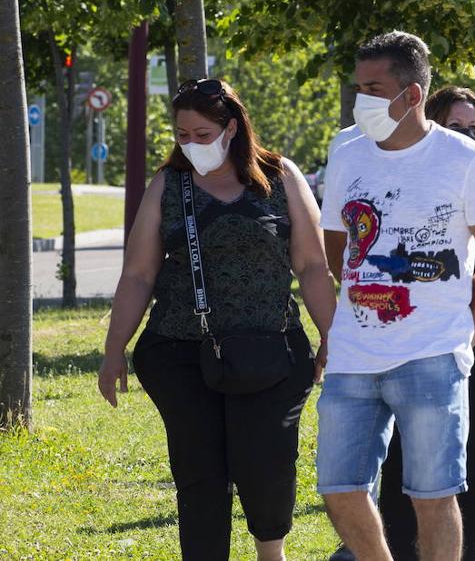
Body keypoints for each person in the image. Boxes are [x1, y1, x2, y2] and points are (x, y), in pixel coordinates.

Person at [97, 79, 335, 561]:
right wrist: (113, 349)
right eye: (181, 134)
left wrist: (333, 336)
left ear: (232, 128)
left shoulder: (280, 177)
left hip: (271, 350)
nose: (189, 144)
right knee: (200, 471)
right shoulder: (167, 185)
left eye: (201, 134)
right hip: (180, 351)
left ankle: (272, 552)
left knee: (265, 463)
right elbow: (139, 274)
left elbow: (312, 265)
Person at [317, 32, 475, 561]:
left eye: (373, 87)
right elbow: (337, 252)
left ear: (410, 95)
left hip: (432, 357)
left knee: (432, 497)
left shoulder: (465, 160)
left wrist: (462, 333)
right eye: (358, 86)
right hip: (354, 357)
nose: (361, 99)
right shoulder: (346, 154)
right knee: (339, 490)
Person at [355, 87, 475, 561]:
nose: (465, 135)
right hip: (407, 349)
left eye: (473, 128)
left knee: (466, 473)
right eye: (454, 126)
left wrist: (455, 343)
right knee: (402, 468)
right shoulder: (397, 187)